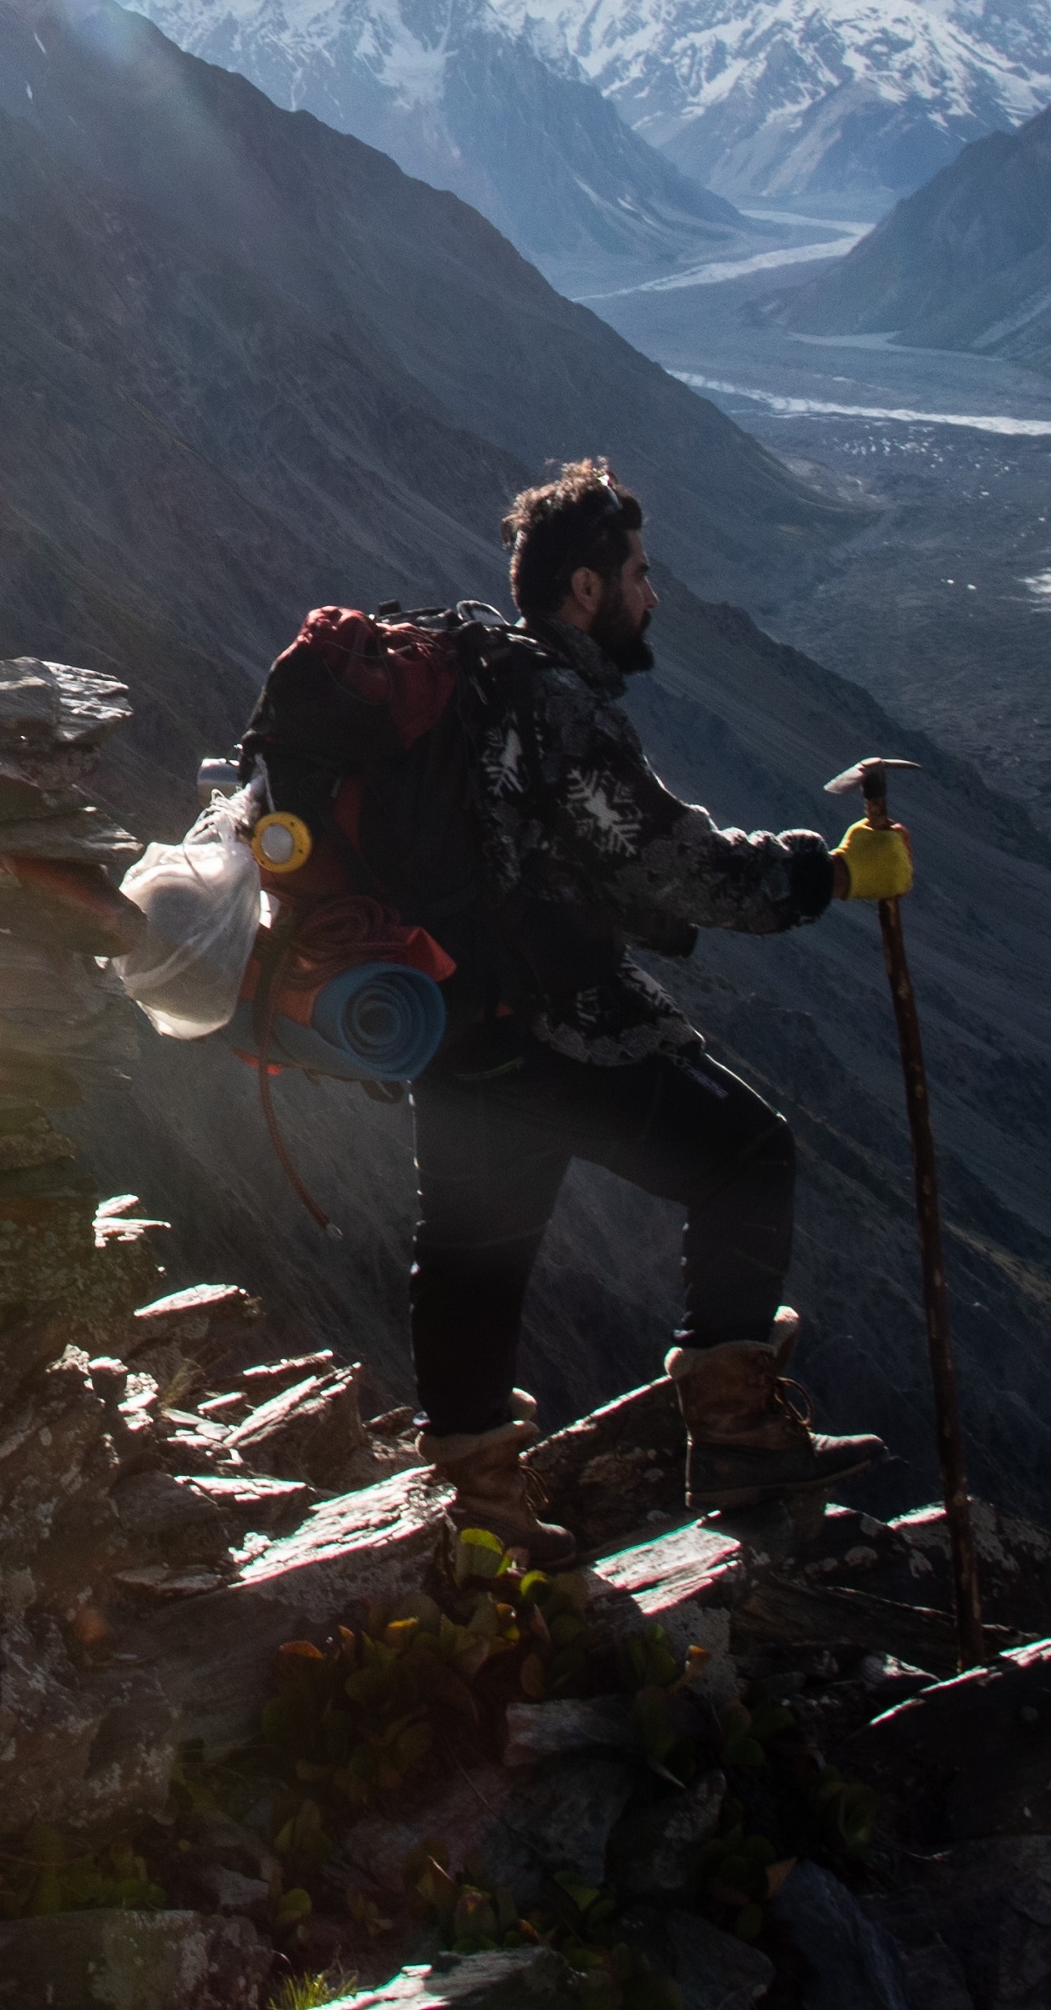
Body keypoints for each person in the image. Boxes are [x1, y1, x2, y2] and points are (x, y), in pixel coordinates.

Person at [414, 457, 884, 1531]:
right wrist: (831, 872)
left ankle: (479, 1513)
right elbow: (676, 868)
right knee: (746, 1157)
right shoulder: (554, 706)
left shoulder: (475, 684)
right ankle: (736, 1442)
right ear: (584, 589)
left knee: (469, 1255)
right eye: (635, 572)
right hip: (556, 1028)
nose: (649, 593)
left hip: (448, 1028)